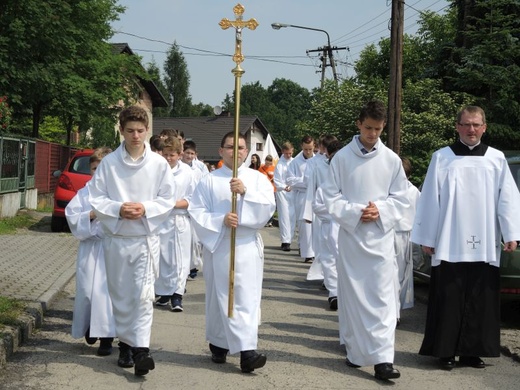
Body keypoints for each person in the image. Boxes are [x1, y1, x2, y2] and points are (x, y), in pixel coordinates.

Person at [411, 105, 520, 370]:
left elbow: (508, 198)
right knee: (449, 297)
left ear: (484, 127)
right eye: (466, 124)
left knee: (481, 297)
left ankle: (473, 352)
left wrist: (512, 232)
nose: (471, 130)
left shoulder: (496, 159)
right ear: (457, 126)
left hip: (484, 240)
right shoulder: (442, 158)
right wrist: (428, 236)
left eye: (476, 124)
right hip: (450, 239)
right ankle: (445, 351)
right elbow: (429, 200)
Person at [322, 100, 409, 381]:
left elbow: (402, 198)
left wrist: (380, 210)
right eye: (369, 128)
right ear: (359, 124)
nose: (373, 134)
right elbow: (328, 198)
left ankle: (384, 359)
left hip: (381, 238)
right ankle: (357, 352)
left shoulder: (391, 160)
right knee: (354, 298)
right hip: (352, 237)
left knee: (383, 299)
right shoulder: (342, 159)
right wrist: (356, 211)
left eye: (378, 129)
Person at [88, 105, 175, 376]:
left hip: (145, 238)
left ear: (148, 130)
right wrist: (118, 209)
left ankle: (142, 351)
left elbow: (167, 199)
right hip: (117, 238)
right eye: (130, 131)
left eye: (140, 131)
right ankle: (126, 344)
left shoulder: (159, 164)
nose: (135, 136)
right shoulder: (110, 164)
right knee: (122, 296)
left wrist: (146, 208)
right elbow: (96, 196)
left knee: (143, 295)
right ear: (121, 130)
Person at [188, 131, 276, 374]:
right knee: (223, 297)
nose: (235, 152)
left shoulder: (257, 179)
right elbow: (197, 212)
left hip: (246, 245)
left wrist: (246, 192)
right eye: (230, 147)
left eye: (240, 148)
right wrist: (220, 220)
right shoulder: (209, 180)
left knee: (244, 297)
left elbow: (269, 207)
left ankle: (245, 350)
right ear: (220, 151)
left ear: (247, 152)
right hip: (221, 244)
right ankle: (221, 342)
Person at [66, 147, 115, 357]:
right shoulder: (84, 193)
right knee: (87, 291)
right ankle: (88, 326)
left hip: (110, 249)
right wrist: (91, 215)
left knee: (105, 294)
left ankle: (106, 338)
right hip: (89, 248)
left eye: (103, 168)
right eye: (95, 168)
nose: (98, 173)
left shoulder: (117, 194)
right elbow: (72, 215)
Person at [154, 136, 196, 312]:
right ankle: (165, 292)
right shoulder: (156, 170)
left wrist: (172, 204)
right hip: (160, 221)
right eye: (165, 155)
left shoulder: (187, 173)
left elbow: (193, 199)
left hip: (179, 219)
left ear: (179, 154)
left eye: (172, 155)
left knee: (180, 259)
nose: (168, 158)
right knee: (162, 259)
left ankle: (177, 295)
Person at [309, 139, 341, 311]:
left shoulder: (349, 186)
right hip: (329, 228)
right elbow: (316, 206)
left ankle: (346, 293)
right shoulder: (324, 188)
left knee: (344, 261)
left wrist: (339, 211)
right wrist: (337, 210)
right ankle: (333, 293)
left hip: (346, 229)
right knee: (329, 261)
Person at [394, 157, 421, 323]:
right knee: (392, 274)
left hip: (405, 235)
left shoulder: (413, 192)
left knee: (401, 274)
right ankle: (392, 310)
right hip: (390, 233)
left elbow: (420, 215)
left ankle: (395, 309)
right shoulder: (388, 189)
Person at [286, 135, 315, 262]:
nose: (308, 152)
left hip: (315, 196)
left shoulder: (319, 160)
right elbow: (290, 180)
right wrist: (305, 181)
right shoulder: (295, 162)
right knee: (304, 225)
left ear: (314, 146)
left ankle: (315, 250)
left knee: (316, 225)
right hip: (302, 196)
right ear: (301, 147)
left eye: (310, 149)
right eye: (305, 149)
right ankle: (308, 253)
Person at [273, 142, 295, 251]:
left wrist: (292, 185)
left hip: (293, 191)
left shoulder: (295, 162)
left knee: (292, 216)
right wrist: (284, 186)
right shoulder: (279, 164)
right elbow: (276, 180)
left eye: (290, 153)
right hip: (282, 192)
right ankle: (285, 240)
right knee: (284, 216)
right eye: (286, 153)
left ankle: (289, 238)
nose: (288, 155)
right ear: (283, 152)